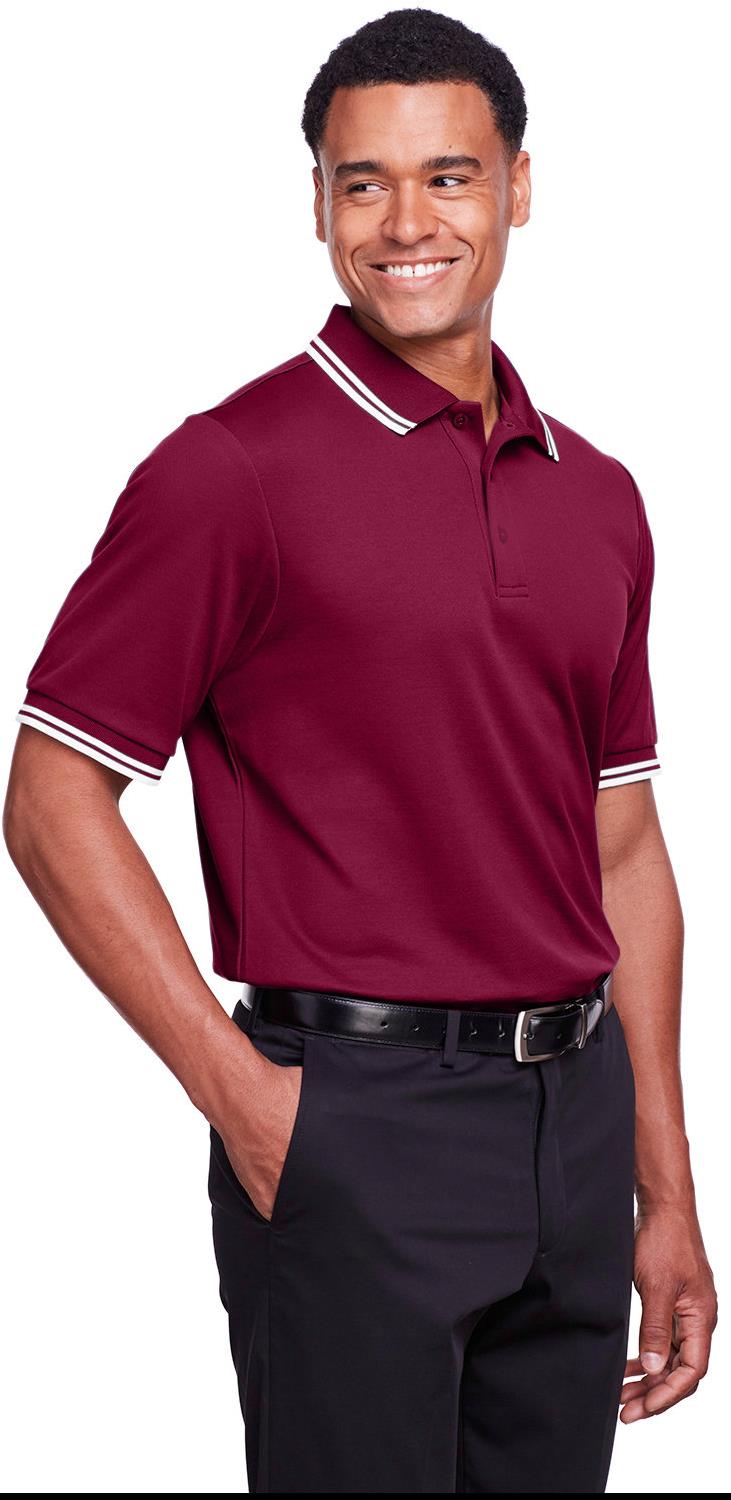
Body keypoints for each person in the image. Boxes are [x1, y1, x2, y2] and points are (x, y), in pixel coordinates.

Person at [4, 6, 717, 1494]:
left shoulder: (599, 495)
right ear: (317, 203)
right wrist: (245, 1100)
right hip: (354, 1120)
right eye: (363, 183)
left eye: (449, 176)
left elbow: (625, 848)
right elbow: (54, 795)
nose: (406, 224)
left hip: (577, 1126)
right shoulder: (230, 471)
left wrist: (666, 1188)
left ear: (519, 187)